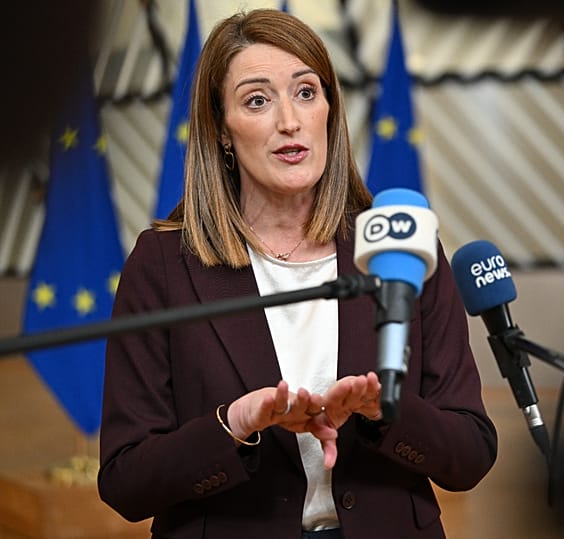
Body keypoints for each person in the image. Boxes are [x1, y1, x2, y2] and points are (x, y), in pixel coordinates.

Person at [97, 8, 497, 539]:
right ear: (220, 129)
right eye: (257, 100)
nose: (290, 120)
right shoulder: (164, 266)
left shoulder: (401, 246)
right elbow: (125, 480)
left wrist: (386, 412)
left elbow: (471, 453)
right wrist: (233, 425)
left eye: (306, 92)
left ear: (329, 108)